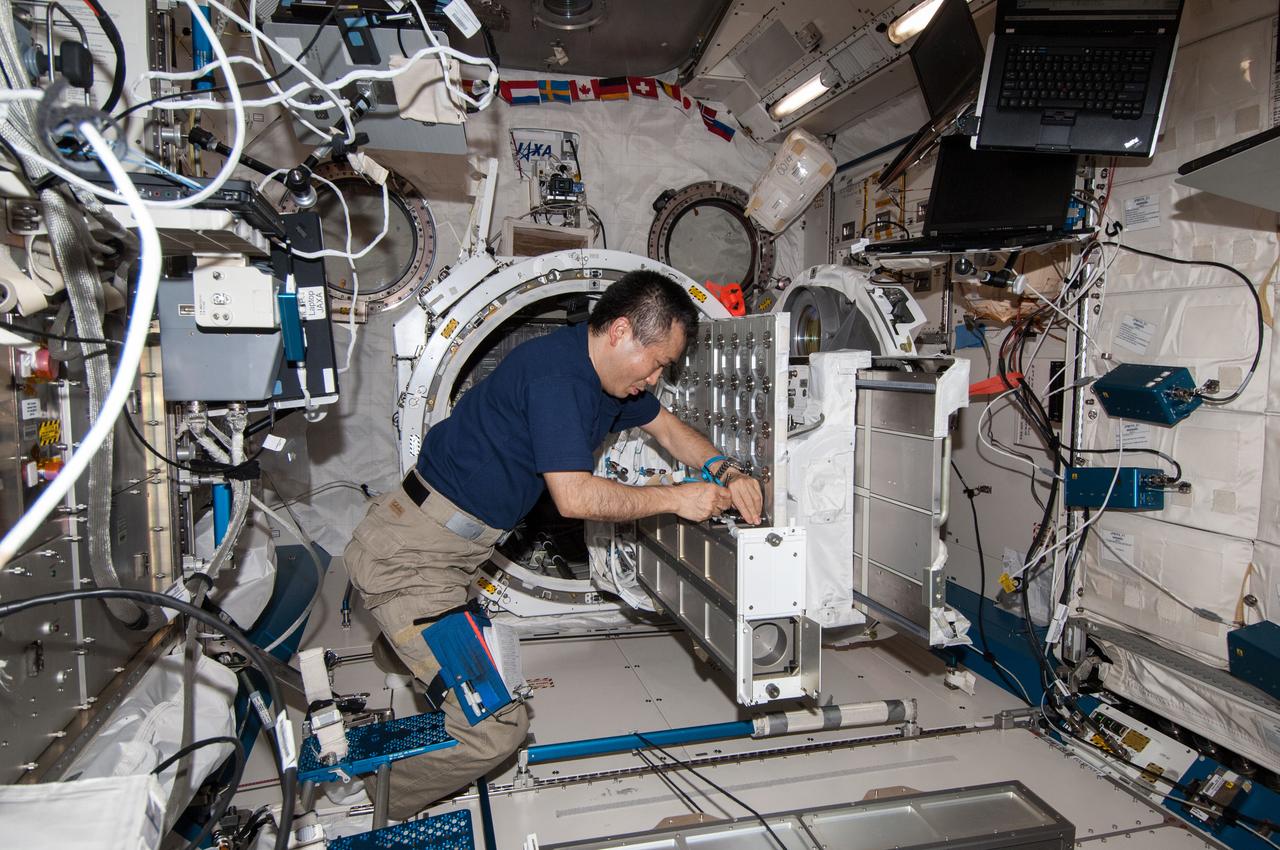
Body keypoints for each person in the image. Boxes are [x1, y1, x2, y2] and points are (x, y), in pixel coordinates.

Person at [342, 270, 764, 819]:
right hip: (410, 562)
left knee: (433, 654)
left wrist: (724, 468)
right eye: (657, 362)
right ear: (620, 332)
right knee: (496, 729)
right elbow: (574, 496)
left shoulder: (605, 379)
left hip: (447, 557)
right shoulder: (558, 378)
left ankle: (407, 656)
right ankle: (370, 796)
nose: (656, 378)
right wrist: (678, 498)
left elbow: (667, 428)